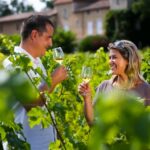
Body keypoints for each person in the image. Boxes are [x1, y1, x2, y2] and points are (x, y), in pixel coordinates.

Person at [3, 15, 68, 150]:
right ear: (34, 35)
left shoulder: (37, 63)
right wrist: (53, 80)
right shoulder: (13, 65)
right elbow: (31, 104)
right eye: (48, 37)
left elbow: (45, 103)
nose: (51, 43)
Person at [78, 40, 150, 126]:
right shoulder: (104, 86)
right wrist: (87, 98)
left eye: (114, 57)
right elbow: (92, 122)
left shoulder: (146, 89)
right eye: (110, 58)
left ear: (128, 60)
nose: (110, 62)